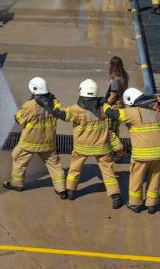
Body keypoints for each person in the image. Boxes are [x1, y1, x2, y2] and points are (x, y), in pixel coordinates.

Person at [52, 79, 122, 208]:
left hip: (81, 148)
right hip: (102, 148)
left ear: (81, 91)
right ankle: (115, 196)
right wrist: (118, 146)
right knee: (108, 173)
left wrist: (54, 102)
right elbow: (109, 130)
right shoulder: (103, 107)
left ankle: (71, 192)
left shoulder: (75, 109)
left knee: (74, 170)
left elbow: (61, 114)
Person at [104, 88, 160, 214]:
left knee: (136, 177)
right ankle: (152, 205)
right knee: (154, 177)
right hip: (159, 153)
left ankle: (135, 203)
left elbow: (112, 113)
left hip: (142, 154)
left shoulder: (131, 112)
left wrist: (104, 104)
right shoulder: (153, 112)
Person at [4, 77, 67, 196]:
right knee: (55, 165)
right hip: (49, 143)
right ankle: (62, 189)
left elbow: (18, 119)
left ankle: (16, 184)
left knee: (18, 160)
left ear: (33, 90)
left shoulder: (30, 105)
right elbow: (61, 113)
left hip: (29, 143)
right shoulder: (54, 102)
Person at [104, 56, 130, 157]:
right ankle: (115, 151)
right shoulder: (125, 76)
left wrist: (105, 105)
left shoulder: (115, 79)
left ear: (112, 66)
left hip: (114, 106)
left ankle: (118, 151)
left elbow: (113, 96)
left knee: (109, 130)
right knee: (115, 129)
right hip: (121, 105)